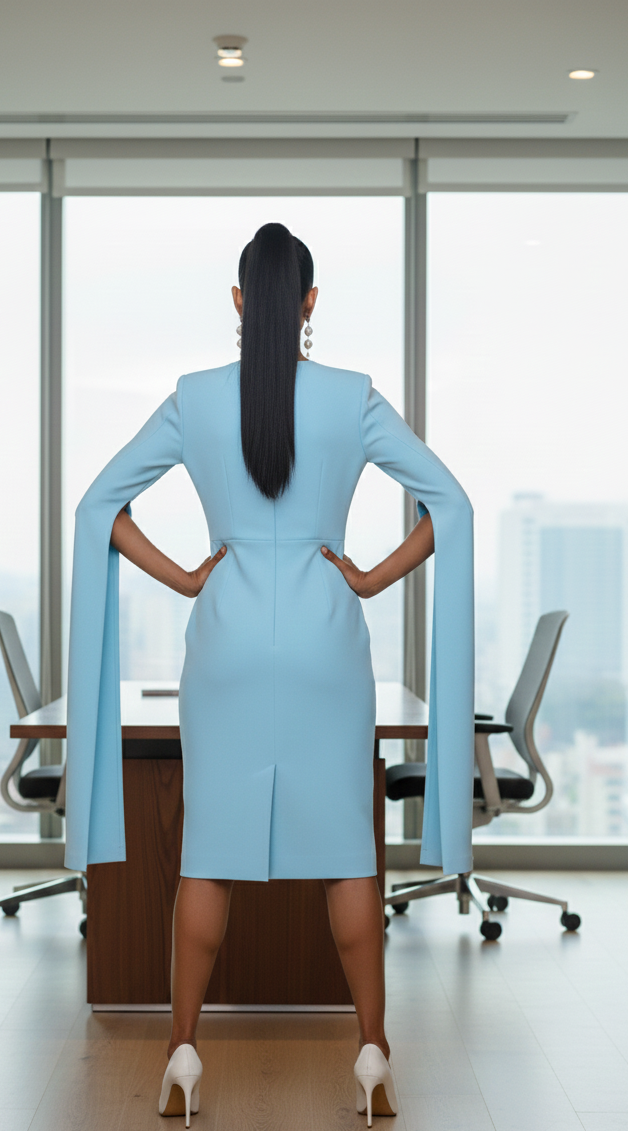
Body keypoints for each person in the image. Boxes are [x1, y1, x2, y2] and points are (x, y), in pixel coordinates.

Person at [65, 222, 474, 1126]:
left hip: (228, 639)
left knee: (206, 853)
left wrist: (182, 573)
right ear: (311, 306)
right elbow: (452, 501)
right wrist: (369, 578)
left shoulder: (192, 398)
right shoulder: (354, 397)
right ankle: (373, 1054)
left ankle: (181, 1056)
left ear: (242, 304)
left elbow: (100, 503)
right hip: (330, 644)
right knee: (349, 859)